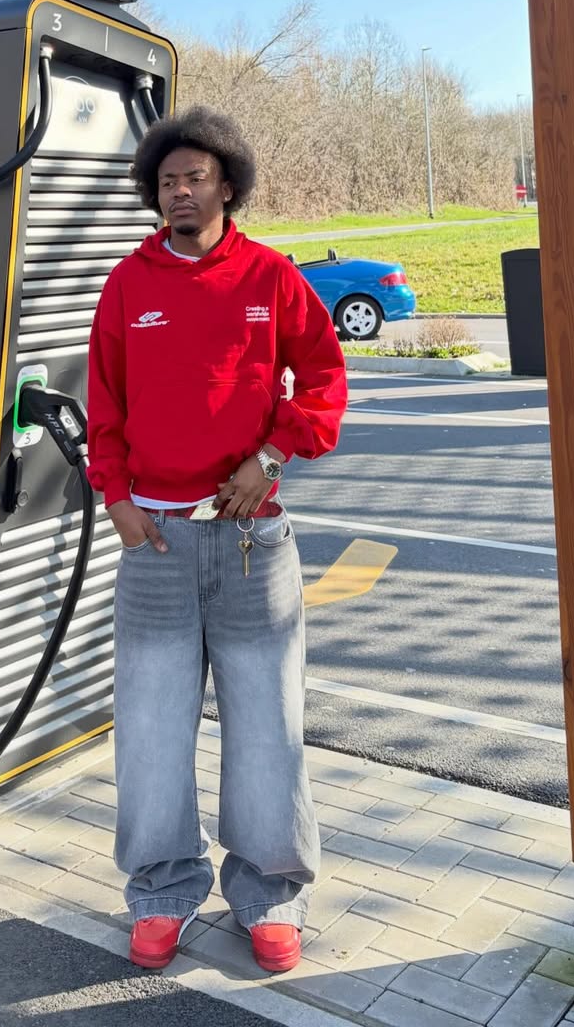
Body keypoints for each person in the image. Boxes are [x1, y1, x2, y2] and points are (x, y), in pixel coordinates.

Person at [86, 105, 348, 974]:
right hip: (154, 546)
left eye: (195, 178)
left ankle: (270, 893)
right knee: (151, 729)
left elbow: (323, 376)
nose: (180, 192)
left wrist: (270, 458)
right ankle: (162, 890)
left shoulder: (271, 278)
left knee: (268, 726)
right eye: (167, 181)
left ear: (227, 187)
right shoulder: (129, 286)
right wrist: (116, 499)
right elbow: (105, 404)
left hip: (251, 544)